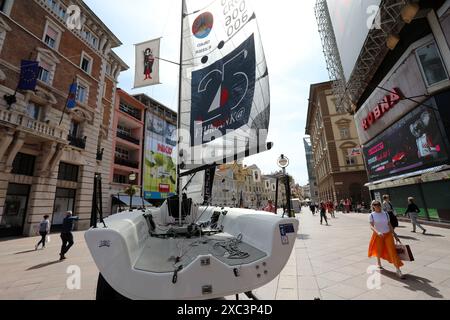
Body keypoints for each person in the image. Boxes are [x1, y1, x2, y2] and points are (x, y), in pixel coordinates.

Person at [368, 200, 405, 279]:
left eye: (378, 204)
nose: (377, 206)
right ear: (373, 206)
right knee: (379, 250)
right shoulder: (372, 215)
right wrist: (377, 232)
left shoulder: (385, 214)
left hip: (388, 234)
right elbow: (371, 226)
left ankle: (398, 270)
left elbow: (389, 224)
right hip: (378, 235)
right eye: (375, 205)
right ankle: (379, 263)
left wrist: (395, 235)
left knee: (392, 250)